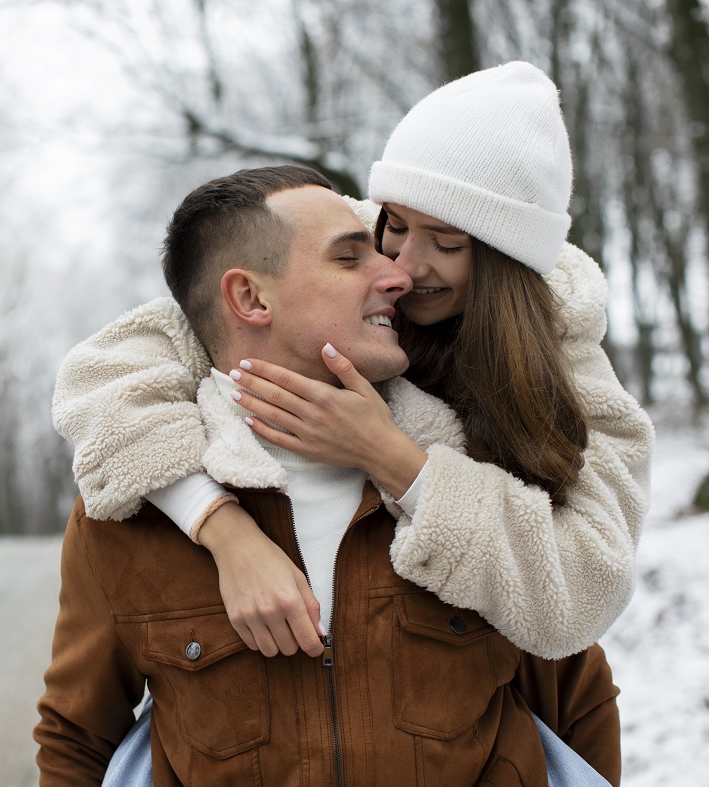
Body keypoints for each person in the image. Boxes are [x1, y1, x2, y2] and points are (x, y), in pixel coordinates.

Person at [35, 165, 621, 787]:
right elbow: (75, 738)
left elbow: (577, 704)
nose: (398, 274)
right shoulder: (132, 508)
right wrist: (221, 528)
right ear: (252, 299)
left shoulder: (478, 463)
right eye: (349, 259)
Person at [51, 62, 654, 662]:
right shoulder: (351, 243)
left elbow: (582, 594)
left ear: (507, 264)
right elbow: (113, 366)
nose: (403, 267)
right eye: (394, 223)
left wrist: (390, 456)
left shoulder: (570, 369)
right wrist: (224, 530)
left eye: (446, 245)